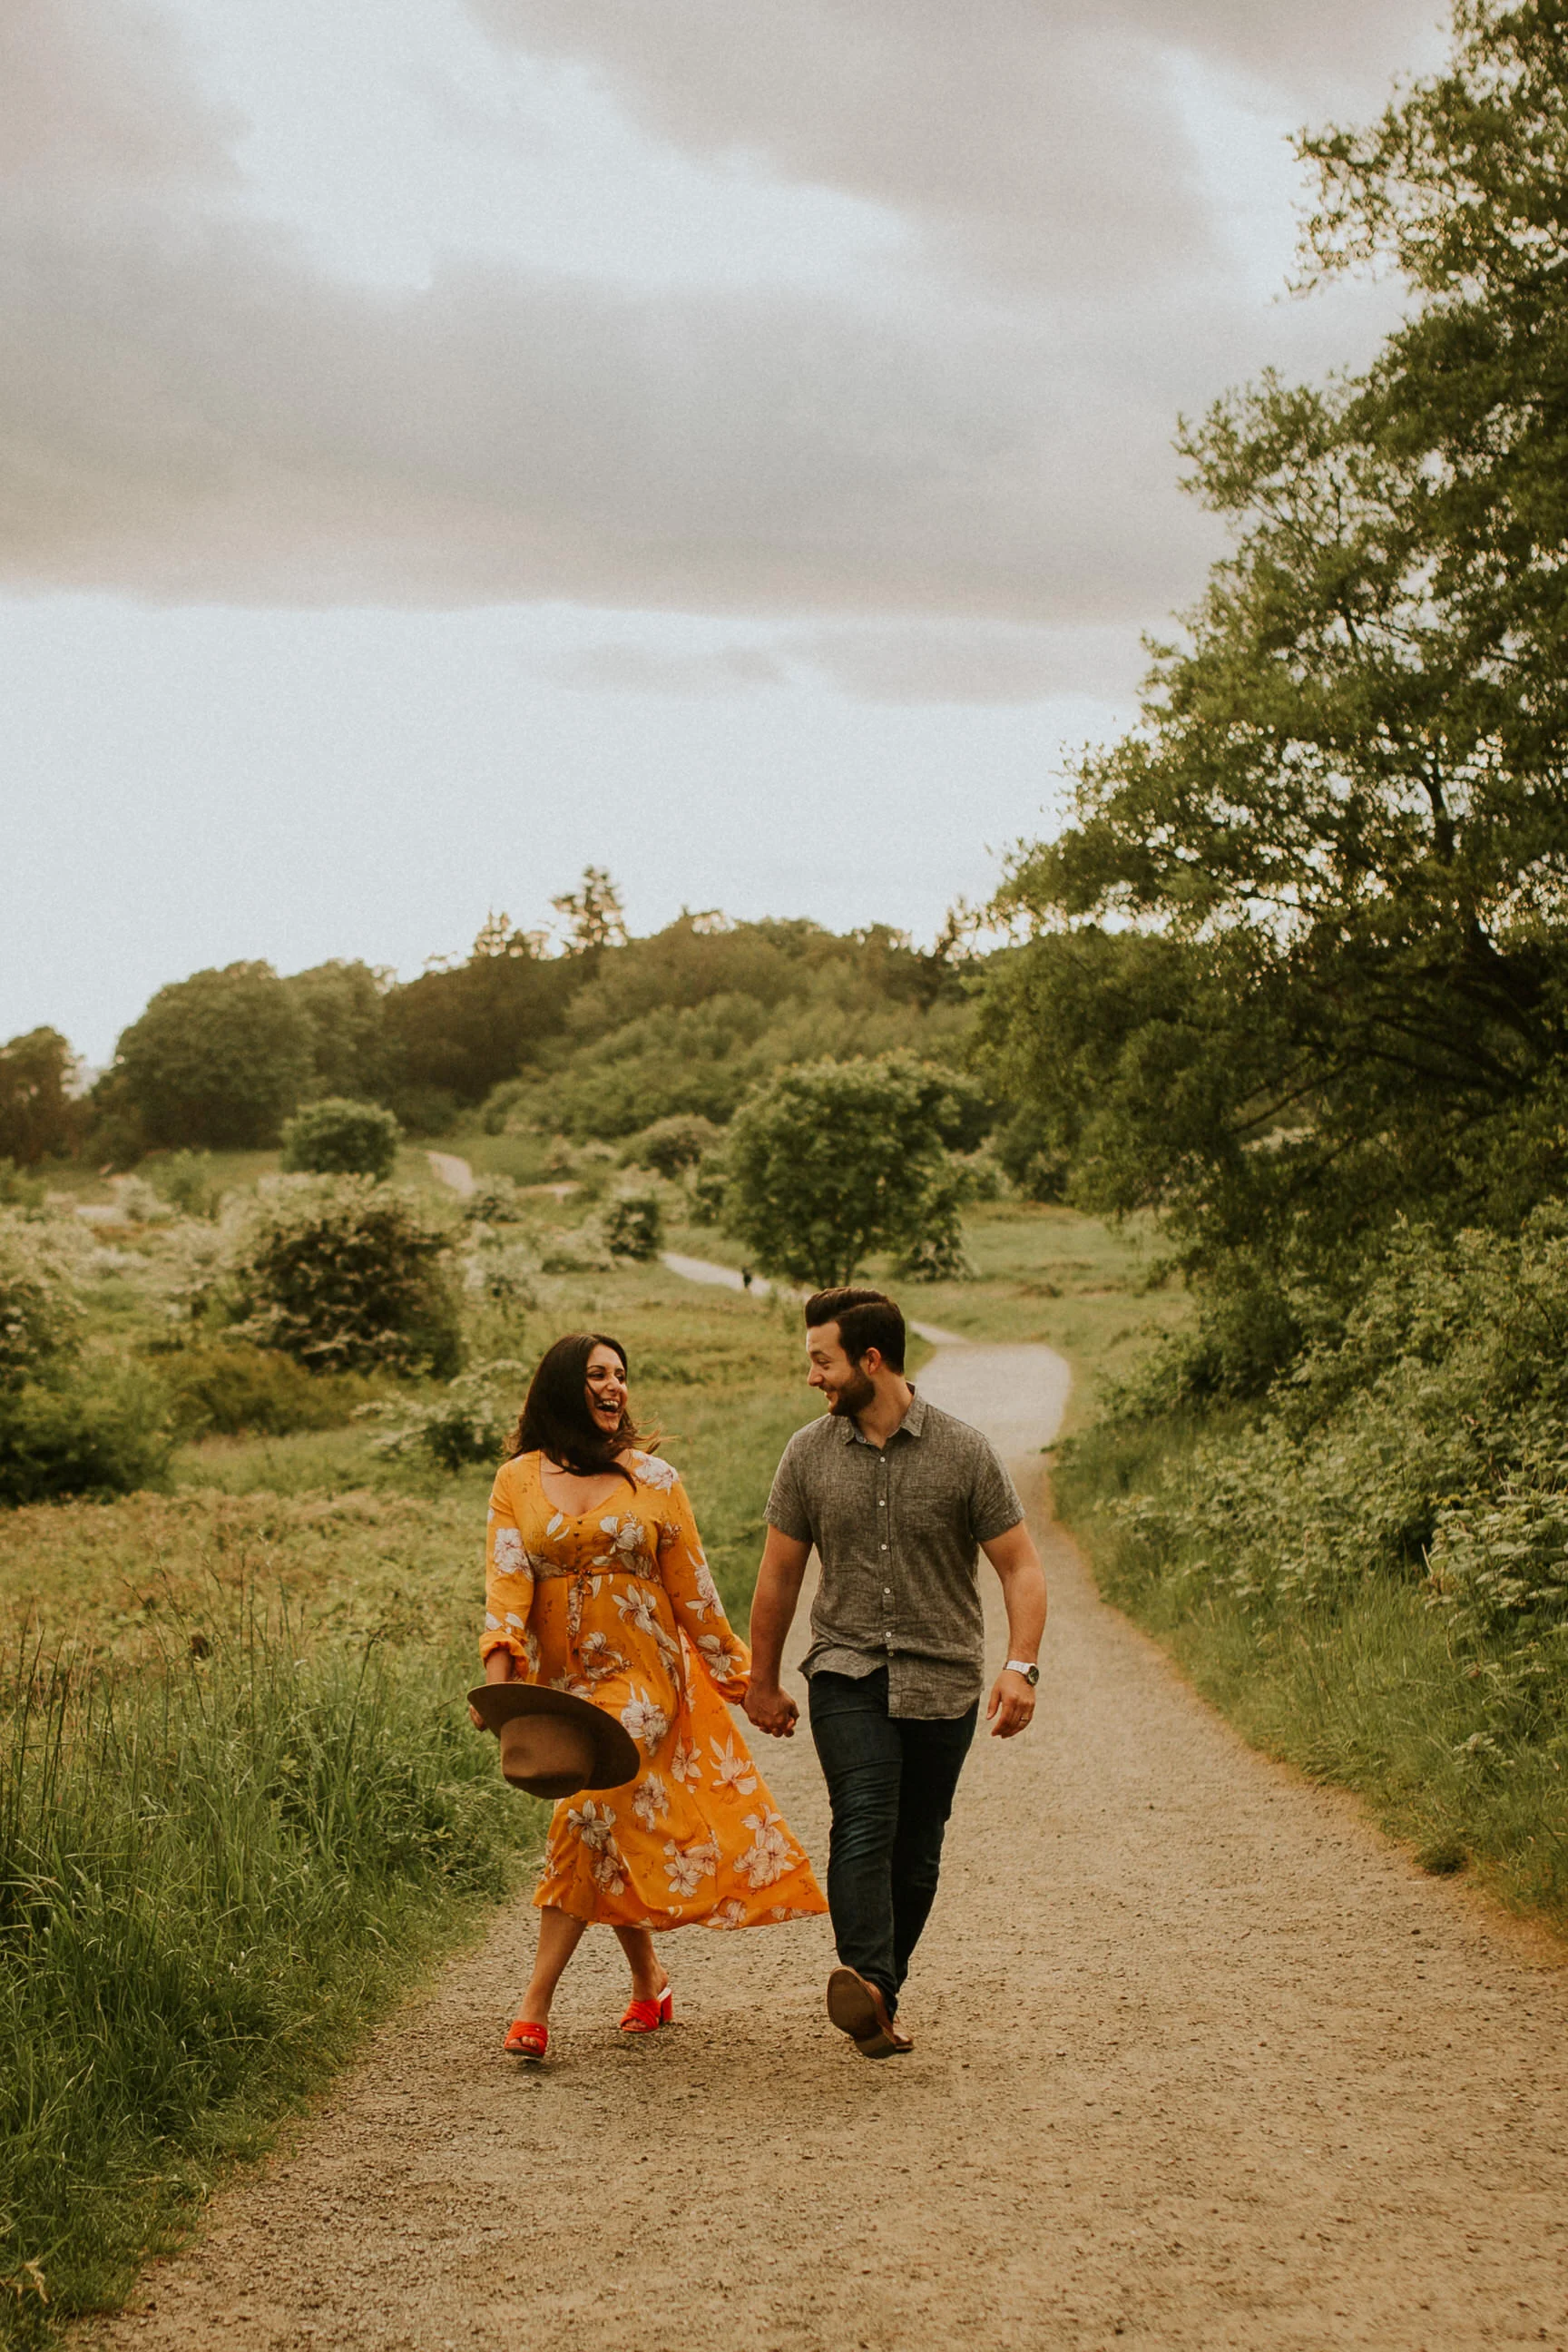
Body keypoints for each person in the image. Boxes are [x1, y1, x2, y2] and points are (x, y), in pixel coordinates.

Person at [477, 1332, 826, 2062]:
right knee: (609, 1822)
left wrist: (748, 1684)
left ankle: (533, 2005)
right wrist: (503, 1691)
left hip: (643, 1684)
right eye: (598, 1375)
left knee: (584, 1809)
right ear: (563, 1387)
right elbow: (506, 1587)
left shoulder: (656, 1480)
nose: (616, 1387)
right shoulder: (516, 1480)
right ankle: (650, 1980)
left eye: (623, 1376)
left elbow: (694, 1592)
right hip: (563, 1683)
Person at [744, 1287, 1047, 2060]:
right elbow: (779, 1576)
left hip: (943, 1676)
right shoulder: (806, 1454)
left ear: (870, 1361)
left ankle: (879, 1994)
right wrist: (764, 1679)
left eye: (823, 1360)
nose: (812, 1376)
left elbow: (1019, 1568)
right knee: (866, 1818)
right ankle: (869, 1979)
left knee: (917, 1851)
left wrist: (1021, 1667)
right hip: (846, 1669)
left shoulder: (964, 1451)